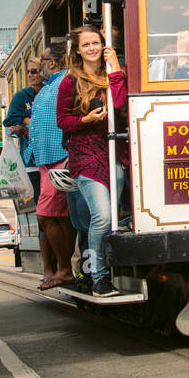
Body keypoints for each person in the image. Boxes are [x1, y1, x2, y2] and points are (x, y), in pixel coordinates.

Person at [57, 24, 130, 297]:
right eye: (85, 44)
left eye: (95, 43)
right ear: (78, 50)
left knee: (112, 219)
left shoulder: (112, 73)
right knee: (101, 216)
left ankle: (107, 273)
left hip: (114, 153)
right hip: (86, 157)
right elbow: (62, 121)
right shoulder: (69, 81)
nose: (91, 48)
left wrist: (115, 68)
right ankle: (99, 279)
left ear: (103, 45)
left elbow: (121, 104)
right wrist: (85, 120)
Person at [27, 44, 86, 291]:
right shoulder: (48, 87)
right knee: (59, 216)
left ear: (52, 63)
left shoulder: (65, 81)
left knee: (46, 215)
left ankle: (64, 269)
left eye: (43, 60)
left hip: (60, 157)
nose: (39, 65)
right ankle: (64, 269)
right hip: (46, 158)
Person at [3, 61, 43, 201]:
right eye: (28, 72)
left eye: (34, 71)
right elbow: (10, 122)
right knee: (40, 207)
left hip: (53, 159)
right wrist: (26, 123)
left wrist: (29, 122)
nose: (30, 75)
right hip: (31, 162)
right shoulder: (22, 96)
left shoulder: (51, 93)